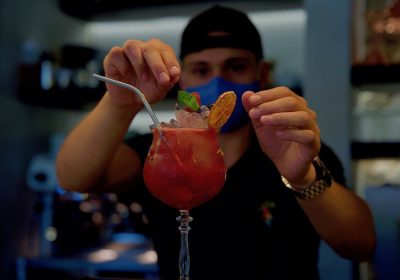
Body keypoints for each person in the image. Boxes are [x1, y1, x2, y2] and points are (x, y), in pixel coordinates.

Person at [56, 5, 376, 280]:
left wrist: (302, 176)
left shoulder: (293, 146)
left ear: (262, 73)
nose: (218, 80)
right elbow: (73, 177)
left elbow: (361, 245)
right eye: (201, 69)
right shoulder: (161, 150)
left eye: (235, 66)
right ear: (182, 79)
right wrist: (119, 104)